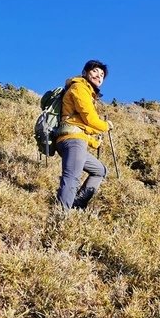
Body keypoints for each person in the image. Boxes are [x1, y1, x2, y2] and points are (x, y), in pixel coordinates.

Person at [54, 59, 112, 210]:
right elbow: (90, 119)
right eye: (95, 72)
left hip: (76, 139)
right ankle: (61, 216)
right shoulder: (80, 87)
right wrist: (105, 126)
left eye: (102, 75)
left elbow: (81, 124)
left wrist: (93, 142)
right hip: (72, 140)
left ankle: (77, 204)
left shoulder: (88, 92)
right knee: (72, 178)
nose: (99, 76)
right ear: (85, 73)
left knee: (100, 170)